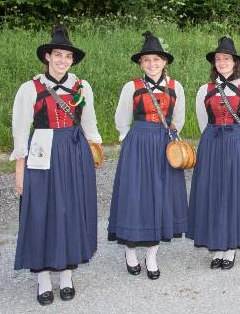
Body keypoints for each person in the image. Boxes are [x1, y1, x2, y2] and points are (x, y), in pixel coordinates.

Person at [11, 24, 102, 305]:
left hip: (74, 151)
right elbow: (20, 130)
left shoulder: (81, 86)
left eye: (67, 57)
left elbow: (89, 124)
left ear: (72, 60)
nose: (62, 61)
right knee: (42, 211)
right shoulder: (31, 88)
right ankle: (41, 278)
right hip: (42, 150)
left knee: (71, 210)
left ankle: (65, 275)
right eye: (57, 55)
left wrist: (94, 152)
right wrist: (19, 172)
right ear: (47, 57)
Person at [108, 31, 188, 280]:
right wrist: (129, 141)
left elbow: (179, 120)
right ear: (141, 63)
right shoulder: (131, 86)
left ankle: (152, 255)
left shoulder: (176, 87)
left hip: (164, 146)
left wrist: (172, 143)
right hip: (138, 144)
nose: (152, 64)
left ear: (165, 62)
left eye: (157, 60)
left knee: (160, 198)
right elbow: (121, 120)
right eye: (147, 61)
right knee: (135, 196)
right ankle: (130, 251)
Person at [187, 37, 240, 270]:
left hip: (237, 144)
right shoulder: (205, 90)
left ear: (235, 61)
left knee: (234, 192)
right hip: (212, 144)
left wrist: (237, 139)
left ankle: (230, 248)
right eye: (218, 59)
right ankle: (216, 246)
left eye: (226, 58)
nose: (222, 62)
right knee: (213, 192)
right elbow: (202, 121)